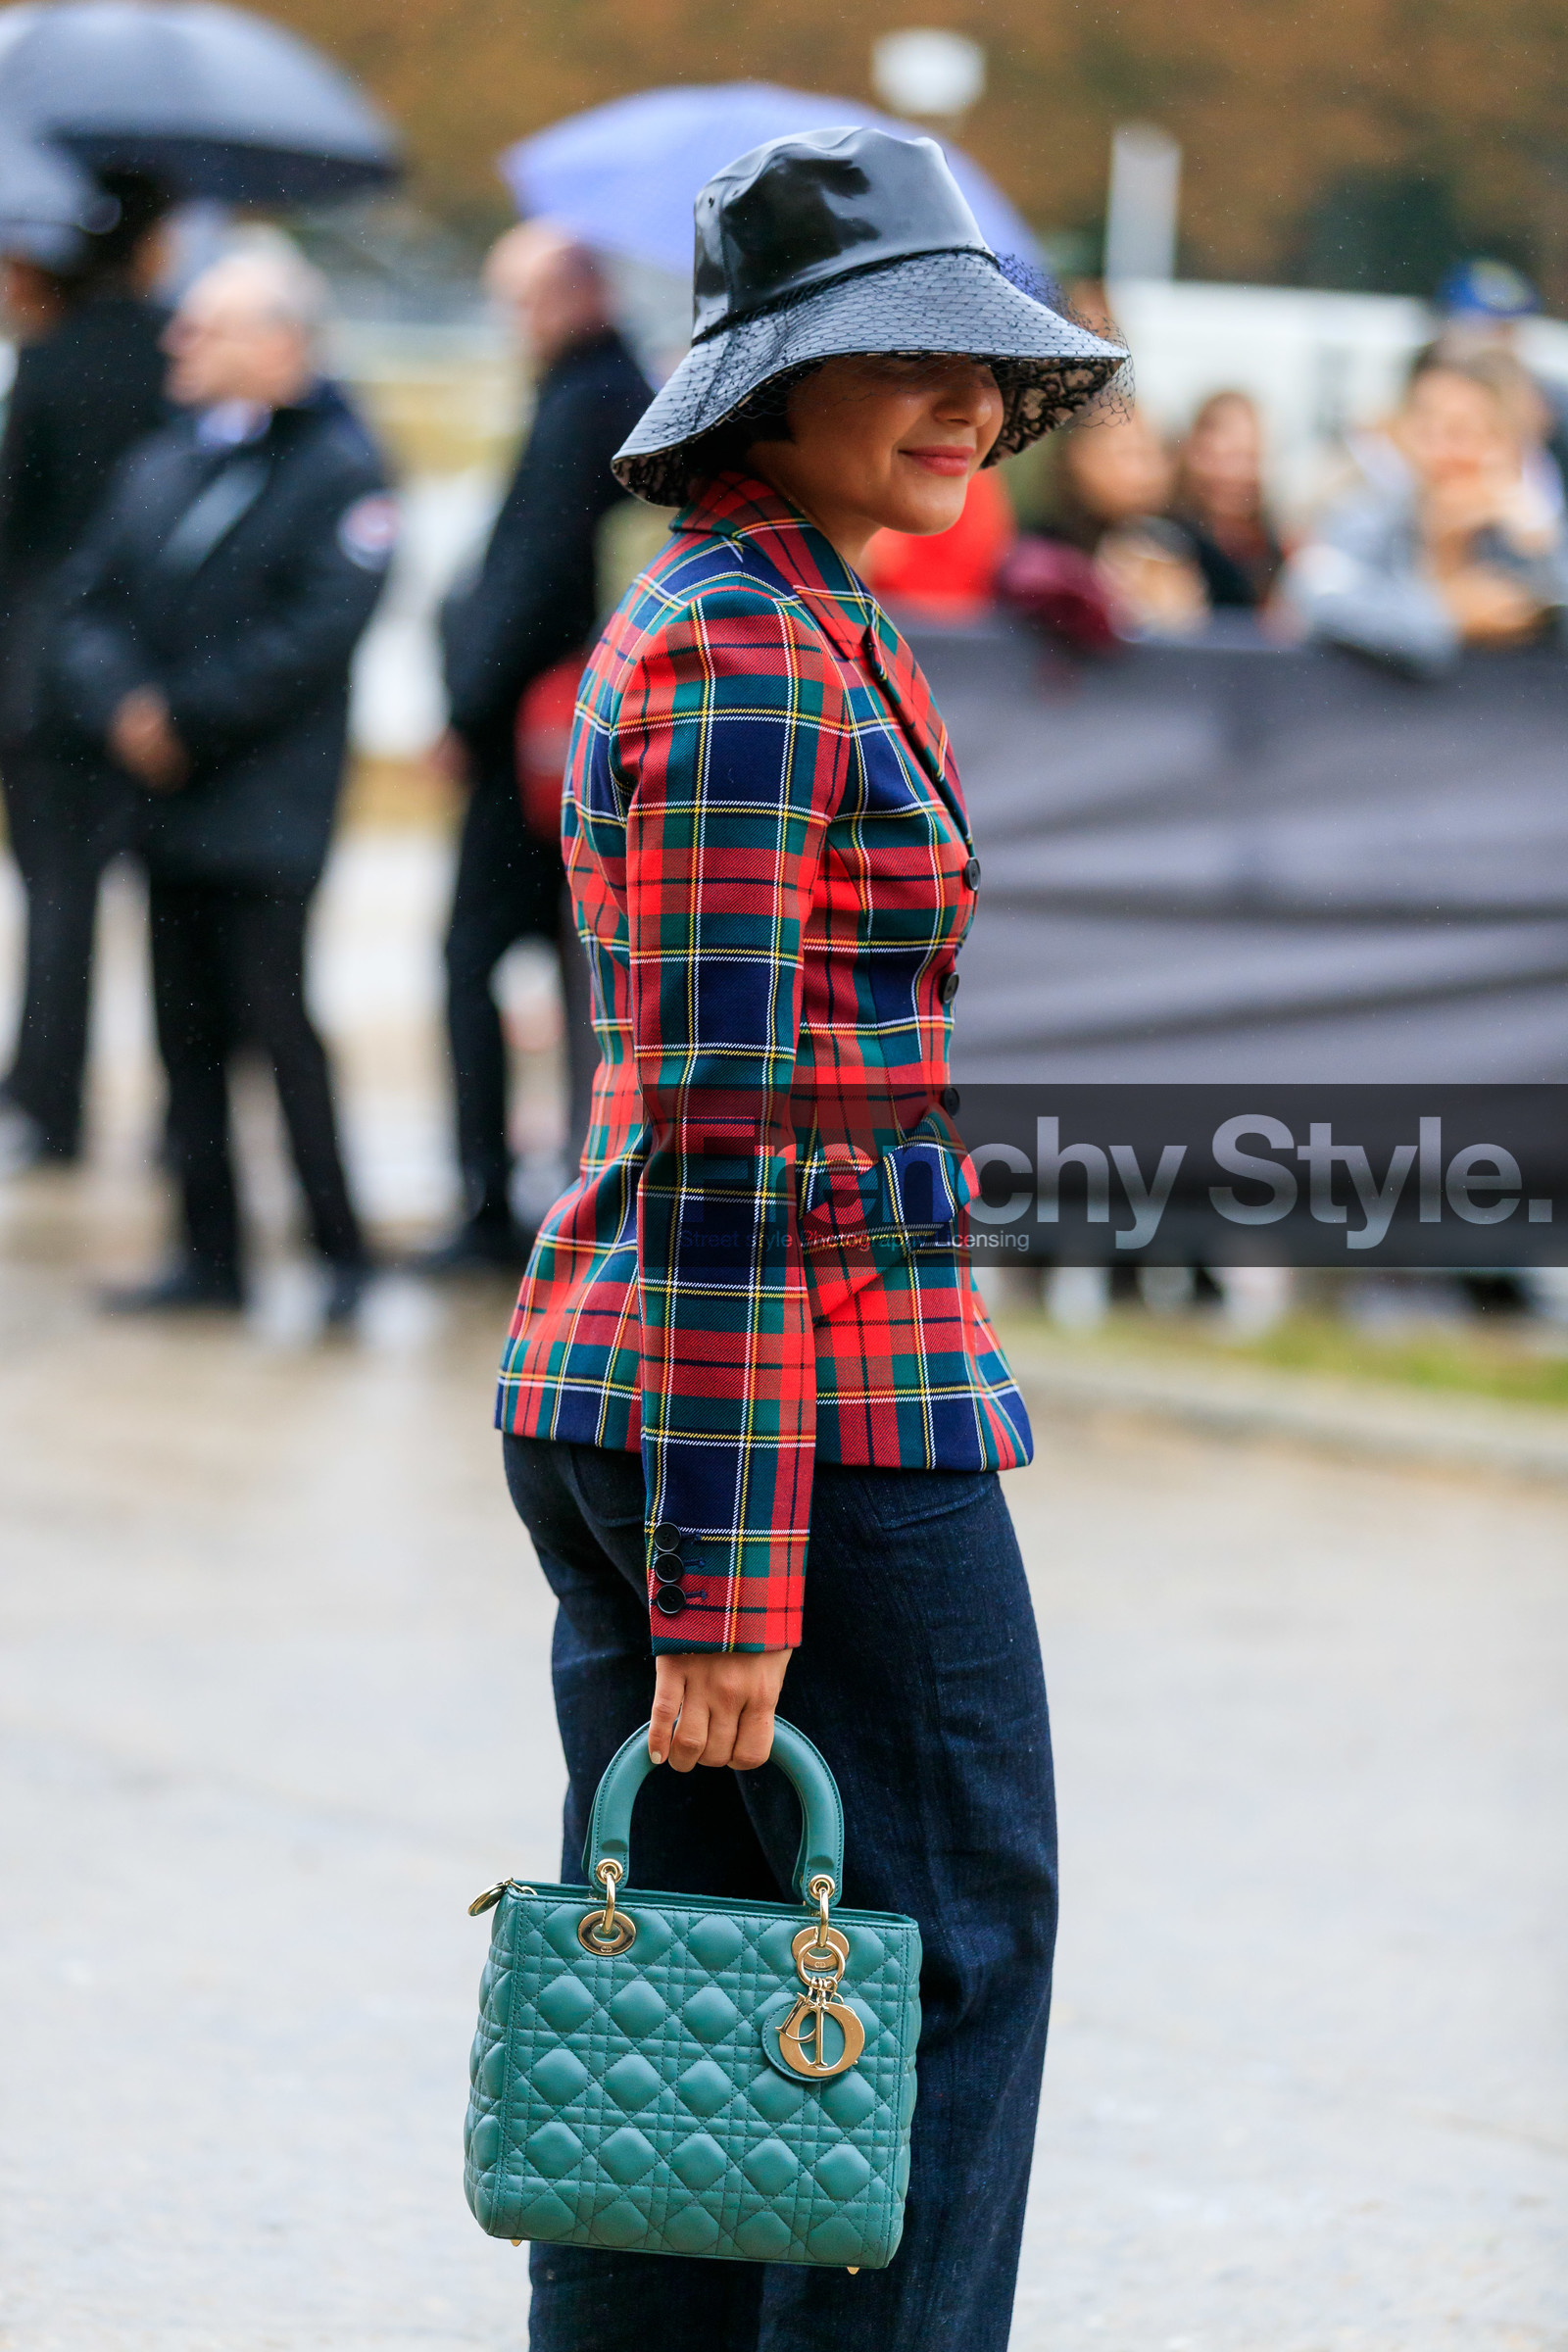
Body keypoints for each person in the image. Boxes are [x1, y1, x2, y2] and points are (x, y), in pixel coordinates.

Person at [498, 125, 1125, 2350]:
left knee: (696, 1979)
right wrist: (728, 1580)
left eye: (983, 367)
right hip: (800, 1400)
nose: (963, 401)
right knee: (940, 1955)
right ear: (768, 383)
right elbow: (730, 1130)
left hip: (677, 1382)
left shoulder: (778, 610)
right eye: (899, 357)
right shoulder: (752, 648)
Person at [46, 243, 395, 1317]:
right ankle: (212, 1257)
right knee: (181, 1034)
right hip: (165, 798)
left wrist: (183, 715)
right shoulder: (169, 459)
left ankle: (338, 1253)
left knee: (279, 1029)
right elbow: (85, 601)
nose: (175, 342)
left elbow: (316, 632)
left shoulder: (341, 468)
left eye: (204, 328)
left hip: (266, 802)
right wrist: (124, 706)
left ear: (280, 344)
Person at [425, 222, 651, 1272]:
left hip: (537, 744)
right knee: (564, 977)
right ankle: (549, 1188)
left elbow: (531, 574)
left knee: (480, 959)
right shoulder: (607, 391)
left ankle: (489, 1204)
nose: (512, 323)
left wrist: (463, 707)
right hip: (548, 735)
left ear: (572, 294)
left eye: (519, 300)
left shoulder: (588, 402)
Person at [0, 172, 173, 1172]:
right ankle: (172, 1117)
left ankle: (48, 1102)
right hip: (156, 661)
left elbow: (15, 521)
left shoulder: (52, 359)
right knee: (173, 904)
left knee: (57, 899)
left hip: (42, 668)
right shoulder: (175, 349)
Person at [1287, 351, 1568, 673]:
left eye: (1460, 432)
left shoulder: (1526, 537)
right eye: (1424, 429)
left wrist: (1540, 551)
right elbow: (1314, 600)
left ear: (1505, 444)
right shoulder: (1365, 517)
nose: (1439, 452)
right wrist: (1449, 617)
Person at [1036, 403, 1211, 635]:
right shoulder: (1044, 552)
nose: (1149, 470)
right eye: (1129, 453)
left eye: (1155, 453)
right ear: (1079, 457)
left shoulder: (1189, 545)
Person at [1170, 388, 1283, 607]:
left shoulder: (1269, 543)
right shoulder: (1167, 539)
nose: (1235, 473)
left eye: (1249, 457)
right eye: (1222, 457)